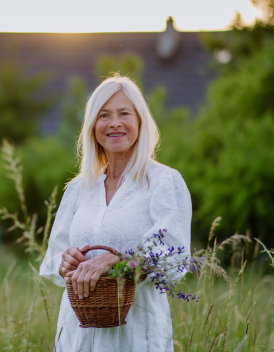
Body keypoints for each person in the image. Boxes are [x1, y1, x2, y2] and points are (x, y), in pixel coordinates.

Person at [39, 74, 192, 351]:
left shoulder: (163, 181)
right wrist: (67, 262)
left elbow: (175, 260)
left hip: (136, 332)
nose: (115, 123)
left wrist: (119, 260)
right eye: (104, 115)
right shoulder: (78, 188)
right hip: (78, 331)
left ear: (140, 122)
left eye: (124, 113)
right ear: (92, 126)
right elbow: (53, 261)